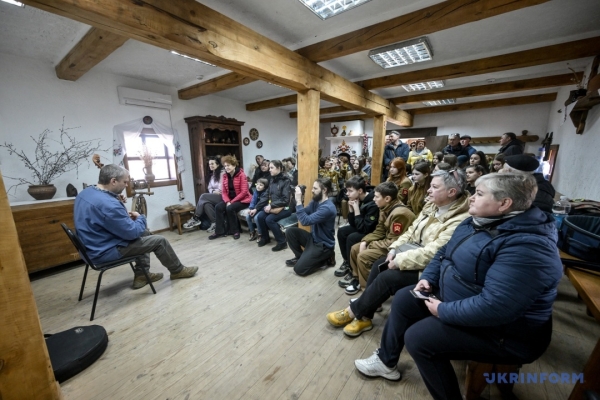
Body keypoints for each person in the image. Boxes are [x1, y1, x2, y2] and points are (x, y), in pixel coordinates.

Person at [353, 173, 562, 400]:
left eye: (480, 194)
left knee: (419, 338)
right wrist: (429, 278)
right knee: (405, 298)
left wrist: (443, 310)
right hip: (464, 298)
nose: (471, 198)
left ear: (504, 204)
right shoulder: (478, 220)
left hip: (505, 331)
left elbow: (496, 306)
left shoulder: (527, 246)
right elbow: (444, 253)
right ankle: (386, 361)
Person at [328, 169, 469, 337]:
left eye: (434, 187)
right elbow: (410, 231)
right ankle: (365, 314)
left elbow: (434, 253)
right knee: (378, 264)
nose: (429, 190)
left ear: (451, 192)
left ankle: (355, 312)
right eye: (430, 186)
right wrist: (395, 248)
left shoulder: (460, 219)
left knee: (387, 277)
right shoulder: (432, 205)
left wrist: (400, 259)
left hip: (432, 269)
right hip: (412, 251)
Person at [74, 164, 198, 289]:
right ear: (113, 181)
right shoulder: (109, 205)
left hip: (91, 247)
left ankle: (142, 275)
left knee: (144, 233)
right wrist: (140, 217)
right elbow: (132, 233)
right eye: (125, 182)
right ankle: (177, 271)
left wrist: (115, 199)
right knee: (159, 240)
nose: (127, 185)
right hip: (104, 251)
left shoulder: (86, 192)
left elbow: (103, 215)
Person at [339, 182, 415, 295]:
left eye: (376, 196)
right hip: (389, 242)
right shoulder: (385, 207)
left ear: (387, 198)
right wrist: (365, 241)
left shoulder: (400, 213)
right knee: (355, 248)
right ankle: (359, 280)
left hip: (398, 248)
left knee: (363, 256)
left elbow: (395, 242)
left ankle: (370, 294)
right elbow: (379, 230)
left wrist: (370, 245)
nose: (373, 199)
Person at [285, 178, 337, 276]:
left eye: (315, 188)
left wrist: (299, 200)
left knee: (299, 269)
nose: (312, 190)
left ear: (324, 190)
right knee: (290, 231)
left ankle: (326, 258)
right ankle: (301, 257)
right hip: (313, 239)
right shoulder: (315, 201)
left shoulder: (328, 208)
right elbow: (303, 213)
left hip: (323, 245)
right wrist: (299, 200)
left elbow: (305, 221)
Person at [334, 176, 379, 278]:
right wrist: (351, 210)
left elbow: (364, 228)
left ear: (359, 191)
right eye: (347, 190)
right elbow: (353, 224)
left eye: (350, 191)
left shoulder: (372, 203)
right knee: (342, 231)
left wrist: (357, 211)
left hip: (371, 231)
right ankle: (347, 261)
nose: (347, 194)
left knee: (352, 237)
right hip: (362, 226)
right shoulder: (357, 199)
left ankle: (352, 268)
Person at [209, 155, 252, 240]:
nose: (226, 167)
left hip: (243, 200)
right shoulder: (225, 176)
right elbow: (224, 192)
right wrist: (228, 201)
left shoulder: (241, 175)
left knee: (230, 208)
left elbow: (244, 192)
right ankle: (219, 231)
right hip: (231, 200)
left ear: (234, 165)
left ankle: (235, 231)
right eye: (225, 166)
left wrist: (231, 202)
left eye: (228, 165)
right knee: (218, 207)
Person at [256, 160, 293, 251]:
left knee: (269, 219)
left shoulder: (286, 180)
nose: (269, 170)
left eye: (272, 168)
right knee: (260, 216)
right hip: (274, 207)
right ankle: (265, 238)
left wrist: (271, 205)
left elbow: (285, 200)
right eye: (269, 168)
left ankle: (282, 242)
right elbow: (266, 195)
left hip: (286, 208)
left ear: (279, 168)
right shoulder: (272, 179)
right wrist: (256, 208)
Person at [183, 156, 224, 232]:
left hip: (222, 196)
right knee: (206, 204)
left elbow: (221, 188)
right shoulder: (212, 175)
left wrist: (214, 191)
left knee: (203, 196)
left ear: (218, 165)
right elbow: (209, 188)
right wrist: (213, 191)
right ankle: (215, 223)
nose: (210, 165)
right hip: (215, 195)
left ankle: (196, 218)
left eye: (212, 164)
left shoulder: (222, 174)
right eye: (209, 164)